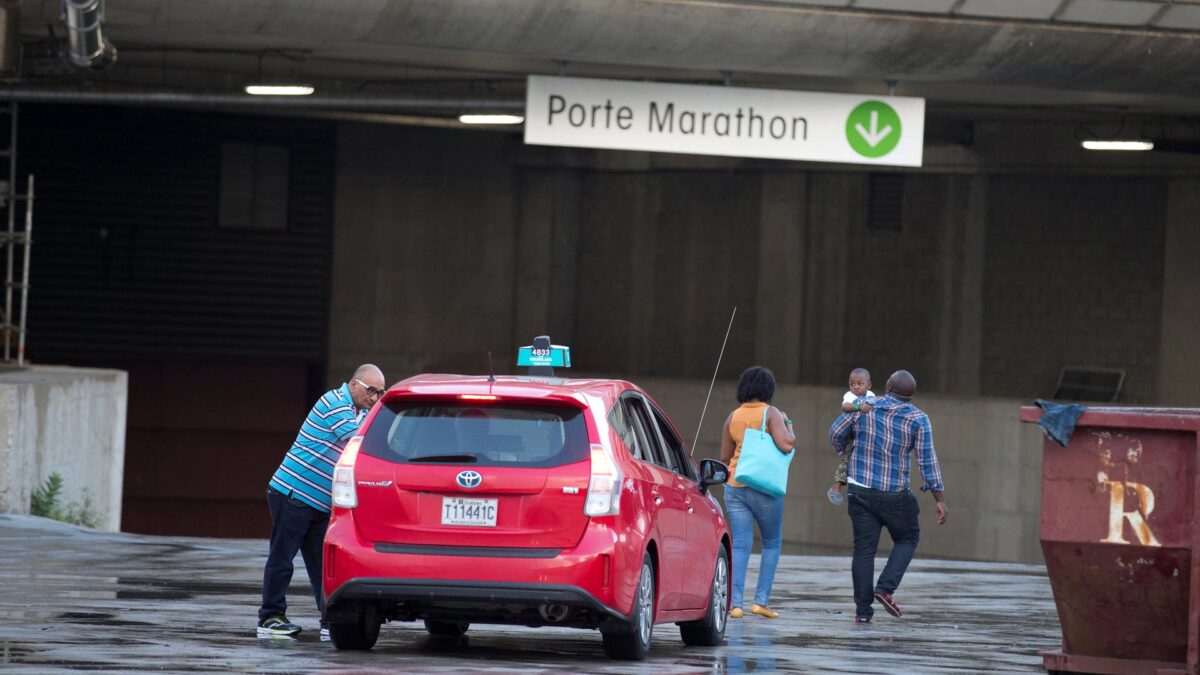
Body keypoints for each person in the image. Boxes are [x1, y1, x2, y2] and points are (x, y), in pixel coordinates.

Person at [256, 364, 386, 639]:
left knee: (321, 567)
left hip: (318, 503)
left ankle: (330, 621)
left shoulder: (358, 412)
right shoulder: (334, 403)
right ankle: (269, 618)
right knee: (282, 559)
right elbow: (358, 441)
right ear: (353, 384)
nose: (374, 398)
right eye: (371, 390)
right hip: (293, 494)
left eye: (380, 393)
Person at [828, 369, 947, 624]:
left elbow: (835, 433)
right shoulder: (918, 418)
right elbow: (928, 462)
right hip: (893, 493)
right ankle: (885, 588)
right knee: (908, 537)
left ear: (885, 387)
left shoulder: (864, 405)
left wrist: (846, 451)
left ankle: (862, 613)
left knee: (863, 551)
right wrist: (939, 498)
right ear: (911, 395)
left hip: (859, 489)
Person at [720, 366, 795, 620]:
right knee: (771, 542)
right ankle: (760, 602)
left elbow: (724, 457)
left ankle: (736, 604)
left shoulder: (733, 416)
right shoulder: (771, 413)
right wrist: (788, 424)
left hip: (735, 486)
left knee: (740, 545)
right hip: (765, 488)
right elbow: (787, 444)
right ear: (768, 389)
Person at [828, 368, 875, 505]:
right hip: (852, 435)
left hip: (866, 435)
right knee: (847, 459)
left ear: (869, 385)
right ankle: (836, 486)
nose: (855, 387)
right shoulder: (850, 396)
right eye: (852, 384)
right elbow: (845, 406)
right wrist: (858, 407)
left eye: (860, 384)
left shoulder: (872, 396)